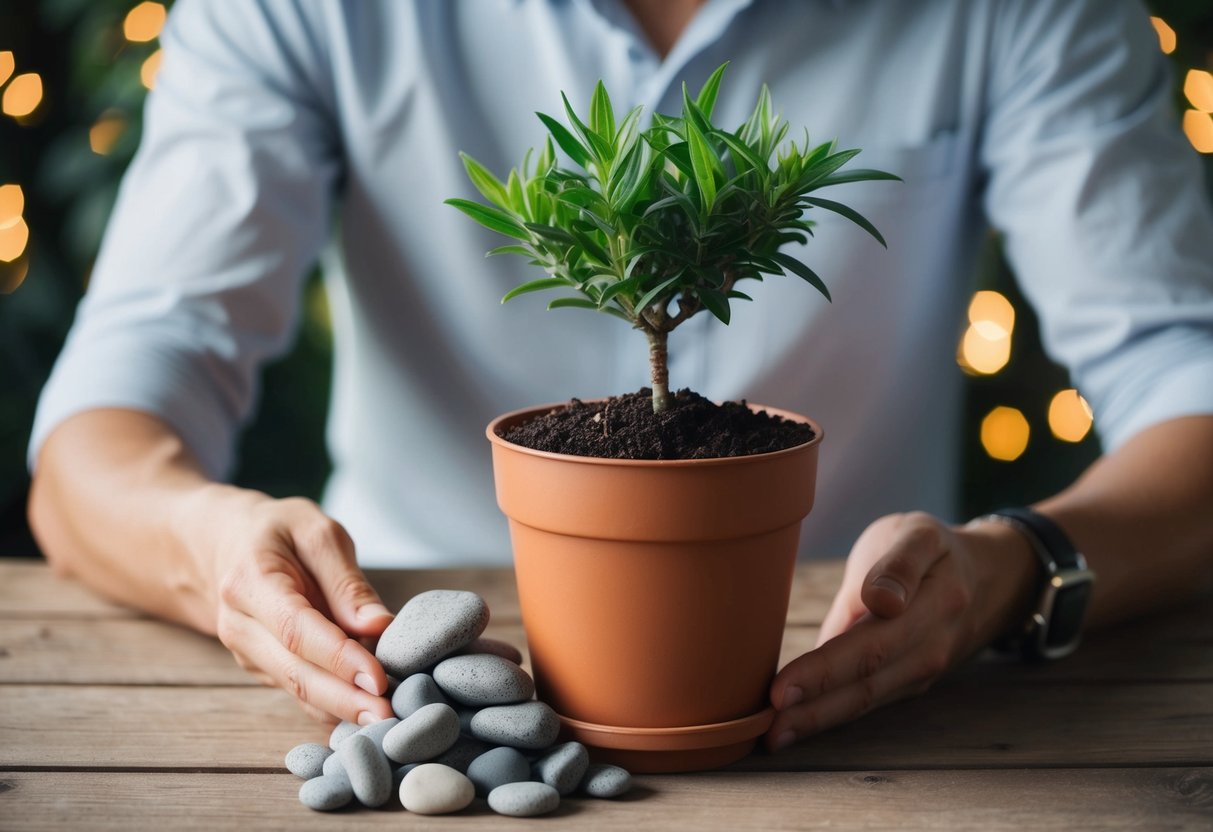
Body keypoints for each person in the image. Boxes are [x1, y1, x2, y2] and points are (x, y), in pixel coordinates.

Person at [27, 0, 1213, 751]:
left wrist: (1015, 565)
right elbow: (122, 392)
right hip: (422, 665)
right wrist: (212, 548)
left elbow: (1182, 371)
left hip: (859, 694)